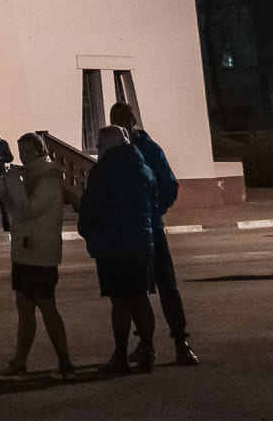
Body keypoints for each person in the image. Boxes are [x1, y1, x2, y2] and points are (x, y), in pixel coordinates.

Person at [109, 101, 195, 365]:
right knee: (139, 291)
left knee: (163, 286)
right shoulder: (123, 151)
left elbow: (168, 185)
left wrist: (151, 212)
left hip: (148, 229)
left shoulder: (147, 149)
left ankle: (179, 341)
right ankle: (149, 343)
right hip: (135, 230)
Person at [76, 124, 158, 375]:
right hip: (140, 241)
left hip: (112, 243)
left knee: (120, 302)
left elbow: (93, 208)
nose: (98, 150)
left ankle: (120, 355)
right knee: (140, 298)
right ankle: (148, 351)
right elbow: (154, 202)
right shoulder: (143, 169)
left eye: (99, 145)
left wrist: (86, 228)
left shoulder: (102, 172)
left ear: (108, 145)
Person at [0, 131, 76, 380]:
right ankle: (19, 362)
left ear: (40, 152)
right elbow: (16, 213)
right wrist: (6, 191)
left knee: (46, 306)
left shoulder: (47, 180)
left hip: (40, 255)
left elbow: (27, 210)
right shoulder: (30, 176)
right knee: (25, 307)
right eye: (21, 152)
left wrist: (13, 185)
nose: (24, 157)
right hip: (24, 253)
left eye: (28, 152)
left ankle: (65, 364)